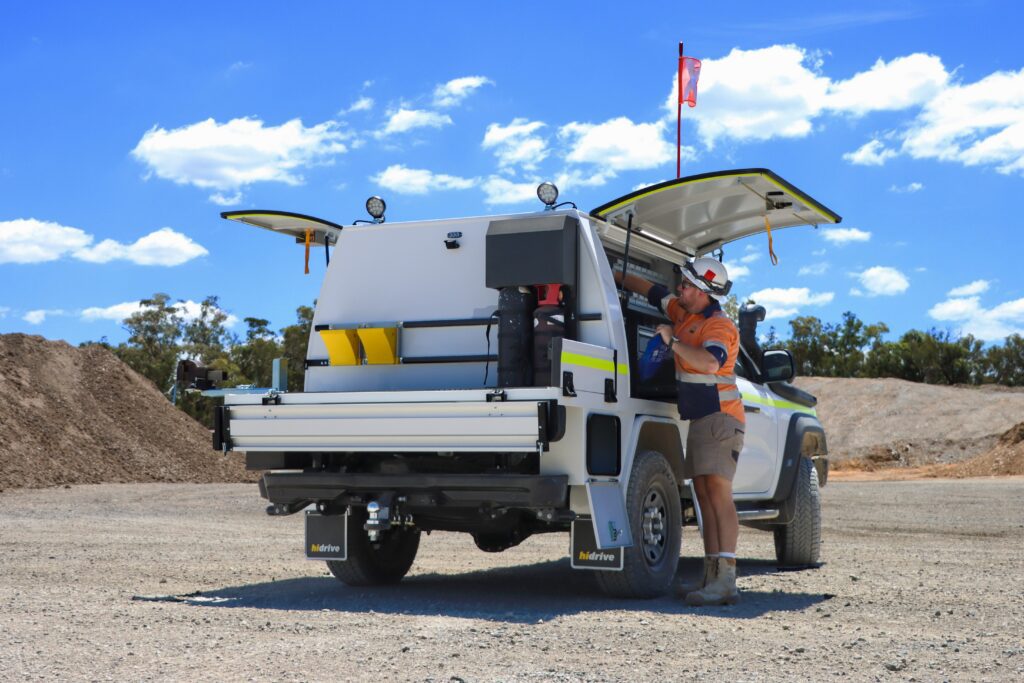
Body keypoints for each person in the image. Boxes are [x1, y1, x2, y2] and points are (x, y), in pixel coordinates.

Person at [615, 257, 745, 605]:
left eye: (687, 285)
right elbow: (651, 290)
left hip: (720, 418)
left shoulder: (719, 326)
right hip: (704, 419)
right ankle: (712, 578)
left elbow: (709, 362)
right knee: (703, 495)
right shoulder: (684, 314)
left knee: (718, 495)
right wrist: (610, 273)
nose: (680, 289)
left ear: (703, 291)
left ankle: (726, 580)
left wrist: (671, 343)